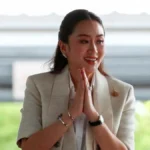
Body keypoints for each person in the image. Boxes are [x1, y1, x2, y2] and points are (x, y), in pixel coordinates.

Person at [16, 9, 136, 150]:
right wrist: (71, 113)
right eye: (84, 41)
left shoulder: (123, 92)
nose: (94, 49)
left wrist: (93, 115)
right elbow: (28, 147)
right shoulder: (38, 85)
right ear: (64, 47)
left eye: (100, 41)